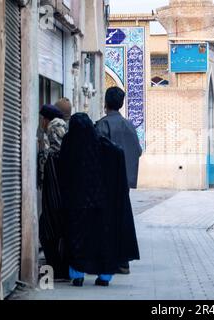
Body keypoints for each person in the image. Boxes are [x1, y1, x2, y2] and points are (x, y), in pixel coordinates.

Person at [59, 113, 140, 287]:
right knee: (103, 241)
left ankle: (78, 275)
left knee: (77, 240)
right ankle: (104, 277)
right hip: (102, 207)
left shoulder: (70, 145)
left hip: (77, 206)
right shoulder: (107, 148)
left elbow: (63, 174)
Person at [96, 87, 142, 275]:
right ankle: (123, 262)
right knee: (122, 221)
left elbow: (95, 152)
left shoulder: (102, 125)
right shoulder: (129, 125)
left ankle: (107, 262)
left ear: (105, 103)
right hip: (124, 183)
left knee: (105, 222)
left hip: (105, 183)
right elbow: (138, 151)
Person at [38, 104, 69, 280]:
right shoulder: (64, 158)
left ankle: (55, 269)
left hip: (54, 206)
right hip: (60, 205)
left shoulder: (54, 159)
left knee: (48, 232)